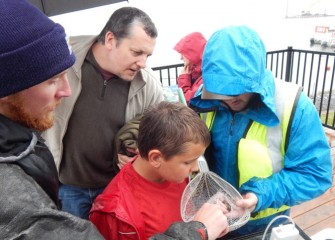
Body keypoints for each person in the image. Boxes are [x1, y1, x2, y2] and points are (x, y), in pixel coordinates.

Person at [189, 25, 332, 237]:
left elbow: (315, 175)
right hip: (213, 218)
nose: (229, 99)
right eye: (221, 90)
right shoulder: (203, 99)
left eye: (238, 89)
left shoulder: (295, 106)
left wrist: (259, 195)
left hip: (264, 224)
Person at [42, 6, 164, 219]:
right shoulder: (61, 62)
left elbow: (163, 131)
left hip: (116, 187)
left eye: (147, 55)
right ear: (110, 40)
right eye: (136, 52)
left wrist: (141, 156)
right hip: (66, 187)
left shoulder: (149, 83)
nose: (143, 63)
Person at [0, 0, 103, 238]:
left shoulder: (17, 134)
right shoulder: (9, 195)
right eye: (52, 79)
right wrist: (195, 231)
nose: (66, 90)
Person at [89, 101, 229, 239]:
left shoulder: (172, 173)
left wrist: (211, 220)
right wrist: (200, 232)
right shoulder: (114, 213)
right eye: (188, 162)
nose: (195, 168)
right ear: (155, 158)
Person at [174, 32, 207, 105]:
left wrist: (184, 78)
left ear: (193, 54)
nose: (181, 58)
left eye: (183, 54)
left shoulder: (205, 77)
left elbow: (186, 103)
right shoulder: (198, 71)